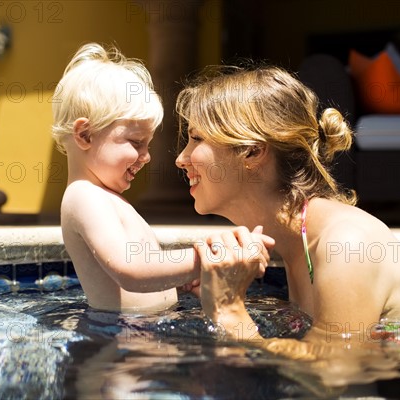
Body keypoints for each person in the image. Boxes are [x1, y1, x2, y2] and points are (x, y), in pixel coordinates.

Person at [174, 65, 400, 372]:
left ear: (253, 152)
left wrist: (230, 310)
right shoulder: (294, 238)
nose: (181, 159)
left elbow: (332, 374)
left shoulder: (345, 242)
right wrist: (218, 296)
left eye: (197, 138)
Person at [52, 44, 273, 313]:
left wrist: (179, 284)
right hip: (121, 343)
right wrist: (209, 256)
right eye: (135, 142)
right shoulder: (83, 196)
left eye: (148, 145)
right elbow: (131, 270)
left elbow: (146, 270)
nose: (146, 157)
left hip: (141, 332)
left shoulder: (107, 199)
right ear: (85, 135)